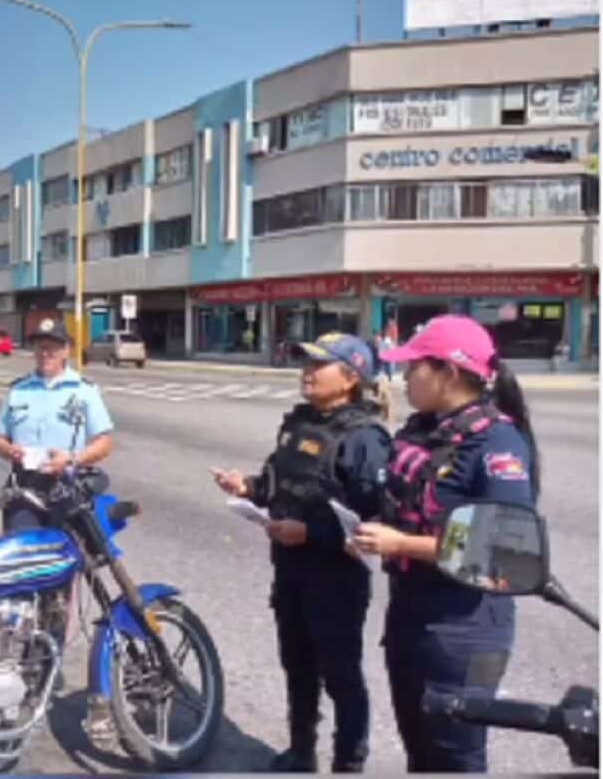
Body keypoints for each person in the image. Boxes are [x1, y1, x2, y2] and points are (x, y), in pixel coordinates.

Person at [352, 314, 539, 773]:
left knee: (455, 756)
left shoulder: (496, 442)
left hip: (466, 625)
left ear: (449, 373)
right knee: (418, 745)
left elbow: (502, 549)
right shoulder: (426, 430)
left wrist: (400, 544)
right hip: (411, 611)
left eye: (414, 366)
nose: (403, 376)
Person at [212, 332, 391, 773]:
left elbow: (373, 522)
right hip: (290, 570)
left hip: (335, 578)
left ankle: (349, 762)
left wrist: (311, 533)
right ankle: (300, 750)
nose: (306, 374)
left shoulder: (365, 438)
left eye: (318, 366)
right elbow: (278, 483)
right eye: (305, 365)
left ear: (350, 378)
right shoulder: (298, 423)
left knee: (341, 676)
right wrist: (248, 487)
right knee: (298, 666)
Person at [0, 317, 114, 532]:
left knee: (71, 558)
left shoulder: (84, 391)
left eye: (52, 348)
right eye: (40, 347)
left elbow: (104, 443)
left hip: (68, 489)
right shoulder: (19, 390)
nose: (45, 353)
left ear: (66, 351)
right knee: (23, 556)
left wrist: (73, 459)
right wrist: (9, 450)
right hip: (25, 489)